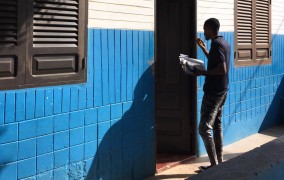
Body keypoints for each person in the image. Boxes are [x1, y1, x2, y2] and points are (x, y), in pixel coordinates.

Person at [195, 18, 230, 171]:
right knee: (217, 125)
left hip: (213, 92)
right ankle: (219, 162)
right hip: (222, 90)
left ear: (210, 28)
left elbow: (222, 69)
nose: (204, 32)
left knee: (203, 128)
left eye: (204, 29)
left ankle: (214, 165)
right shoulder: (224, 42)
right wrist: (204, 50)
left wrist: (203, 73)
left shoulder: (216, 44)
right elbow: (216, 62)